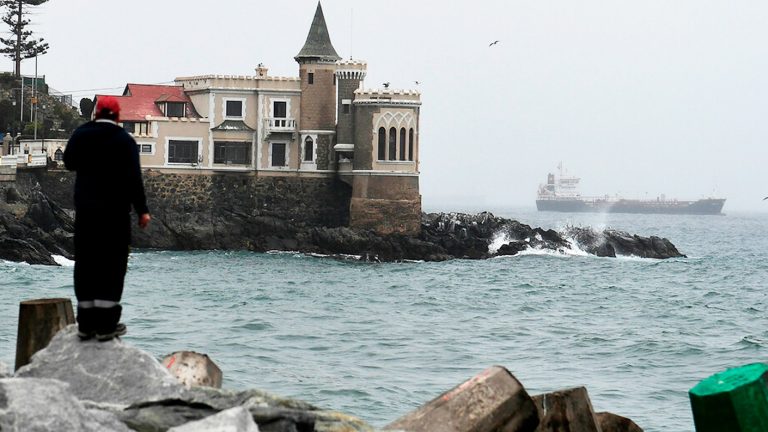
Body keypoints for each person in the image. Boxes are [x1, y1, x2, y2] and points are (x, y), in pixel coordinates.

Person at [64, 95, 151, 341]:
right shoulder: (124, 140)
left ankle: (85, 324)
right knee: (112, 265)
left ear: (96, 113)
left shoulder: (81, 134)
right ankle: (105, 326)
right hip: (115, 215)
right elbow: (134, 179)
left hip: (87, 213)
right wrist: (142, 210)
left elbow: (69, 162)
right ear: (118, 116)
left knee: (86, 263)